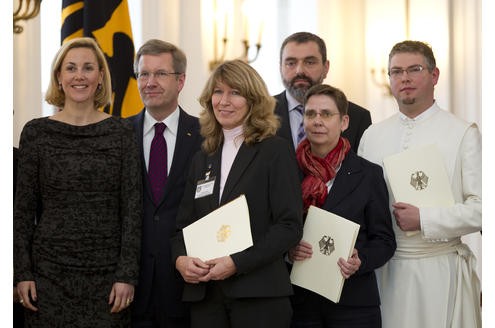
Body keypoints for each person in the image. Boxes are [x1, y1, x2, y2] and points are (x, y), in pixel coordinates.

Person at [13, 37, 142, 326]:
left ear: (100, 78)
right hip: (47, 277)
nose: (79, 76)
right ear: (59, 77)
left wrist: (127, 275)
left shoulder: (122, 132)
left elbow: (132, 210)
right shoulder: (36, 132)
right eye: (70, 68)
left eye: (87, 68)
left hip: (108, 280)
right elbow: (21, 213)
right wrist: (22, 273)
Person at [358, 40, 482, 328]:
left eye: (414, 69)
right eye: (396, 71)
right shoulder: (372, 136)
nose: (404, 78)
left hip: (438, 268)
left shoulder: (463, 133)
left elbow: (482, 209)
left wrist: (424, 218)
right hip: (383, 272)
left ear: (434, 75)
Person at [171, 59, 303, 328]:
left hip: (258, 296)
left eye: (235, 92)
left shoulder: (274, 151)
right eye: (218, 92)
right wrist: (181, 259)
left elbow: (289, 226)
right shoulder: (202, 157)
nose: (224, 101)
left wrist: (236, 263)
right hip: (206, 298)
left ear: (253, 100)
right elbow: (183, 226)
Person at [288, 84, 396, 328]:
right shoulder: (286, 172)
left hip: (354, 303)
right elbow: (275, 227)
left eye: (326, 114)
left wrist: (361, 260)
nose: (317, 121)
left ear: (344, 122)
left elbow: (385, 241)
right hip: (301, 305)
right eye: (310, 114)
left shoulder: (369, 174)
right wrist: (289, 250)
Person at [129, 39, 202, 328]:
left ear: (181, 80)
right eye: (144, 74)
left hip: (186, 283)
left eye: (160, 74)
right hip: (131, 285)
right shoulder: (119, 134)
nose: (150, 82)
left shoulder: (205, 136)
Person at [275, 32, 371, 153]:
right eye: (291, 63)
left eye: (309, 62)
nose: (299, 71)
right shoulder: (258, 113)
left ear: (326, 68)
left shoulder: (358, 117)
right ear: (280, 68)